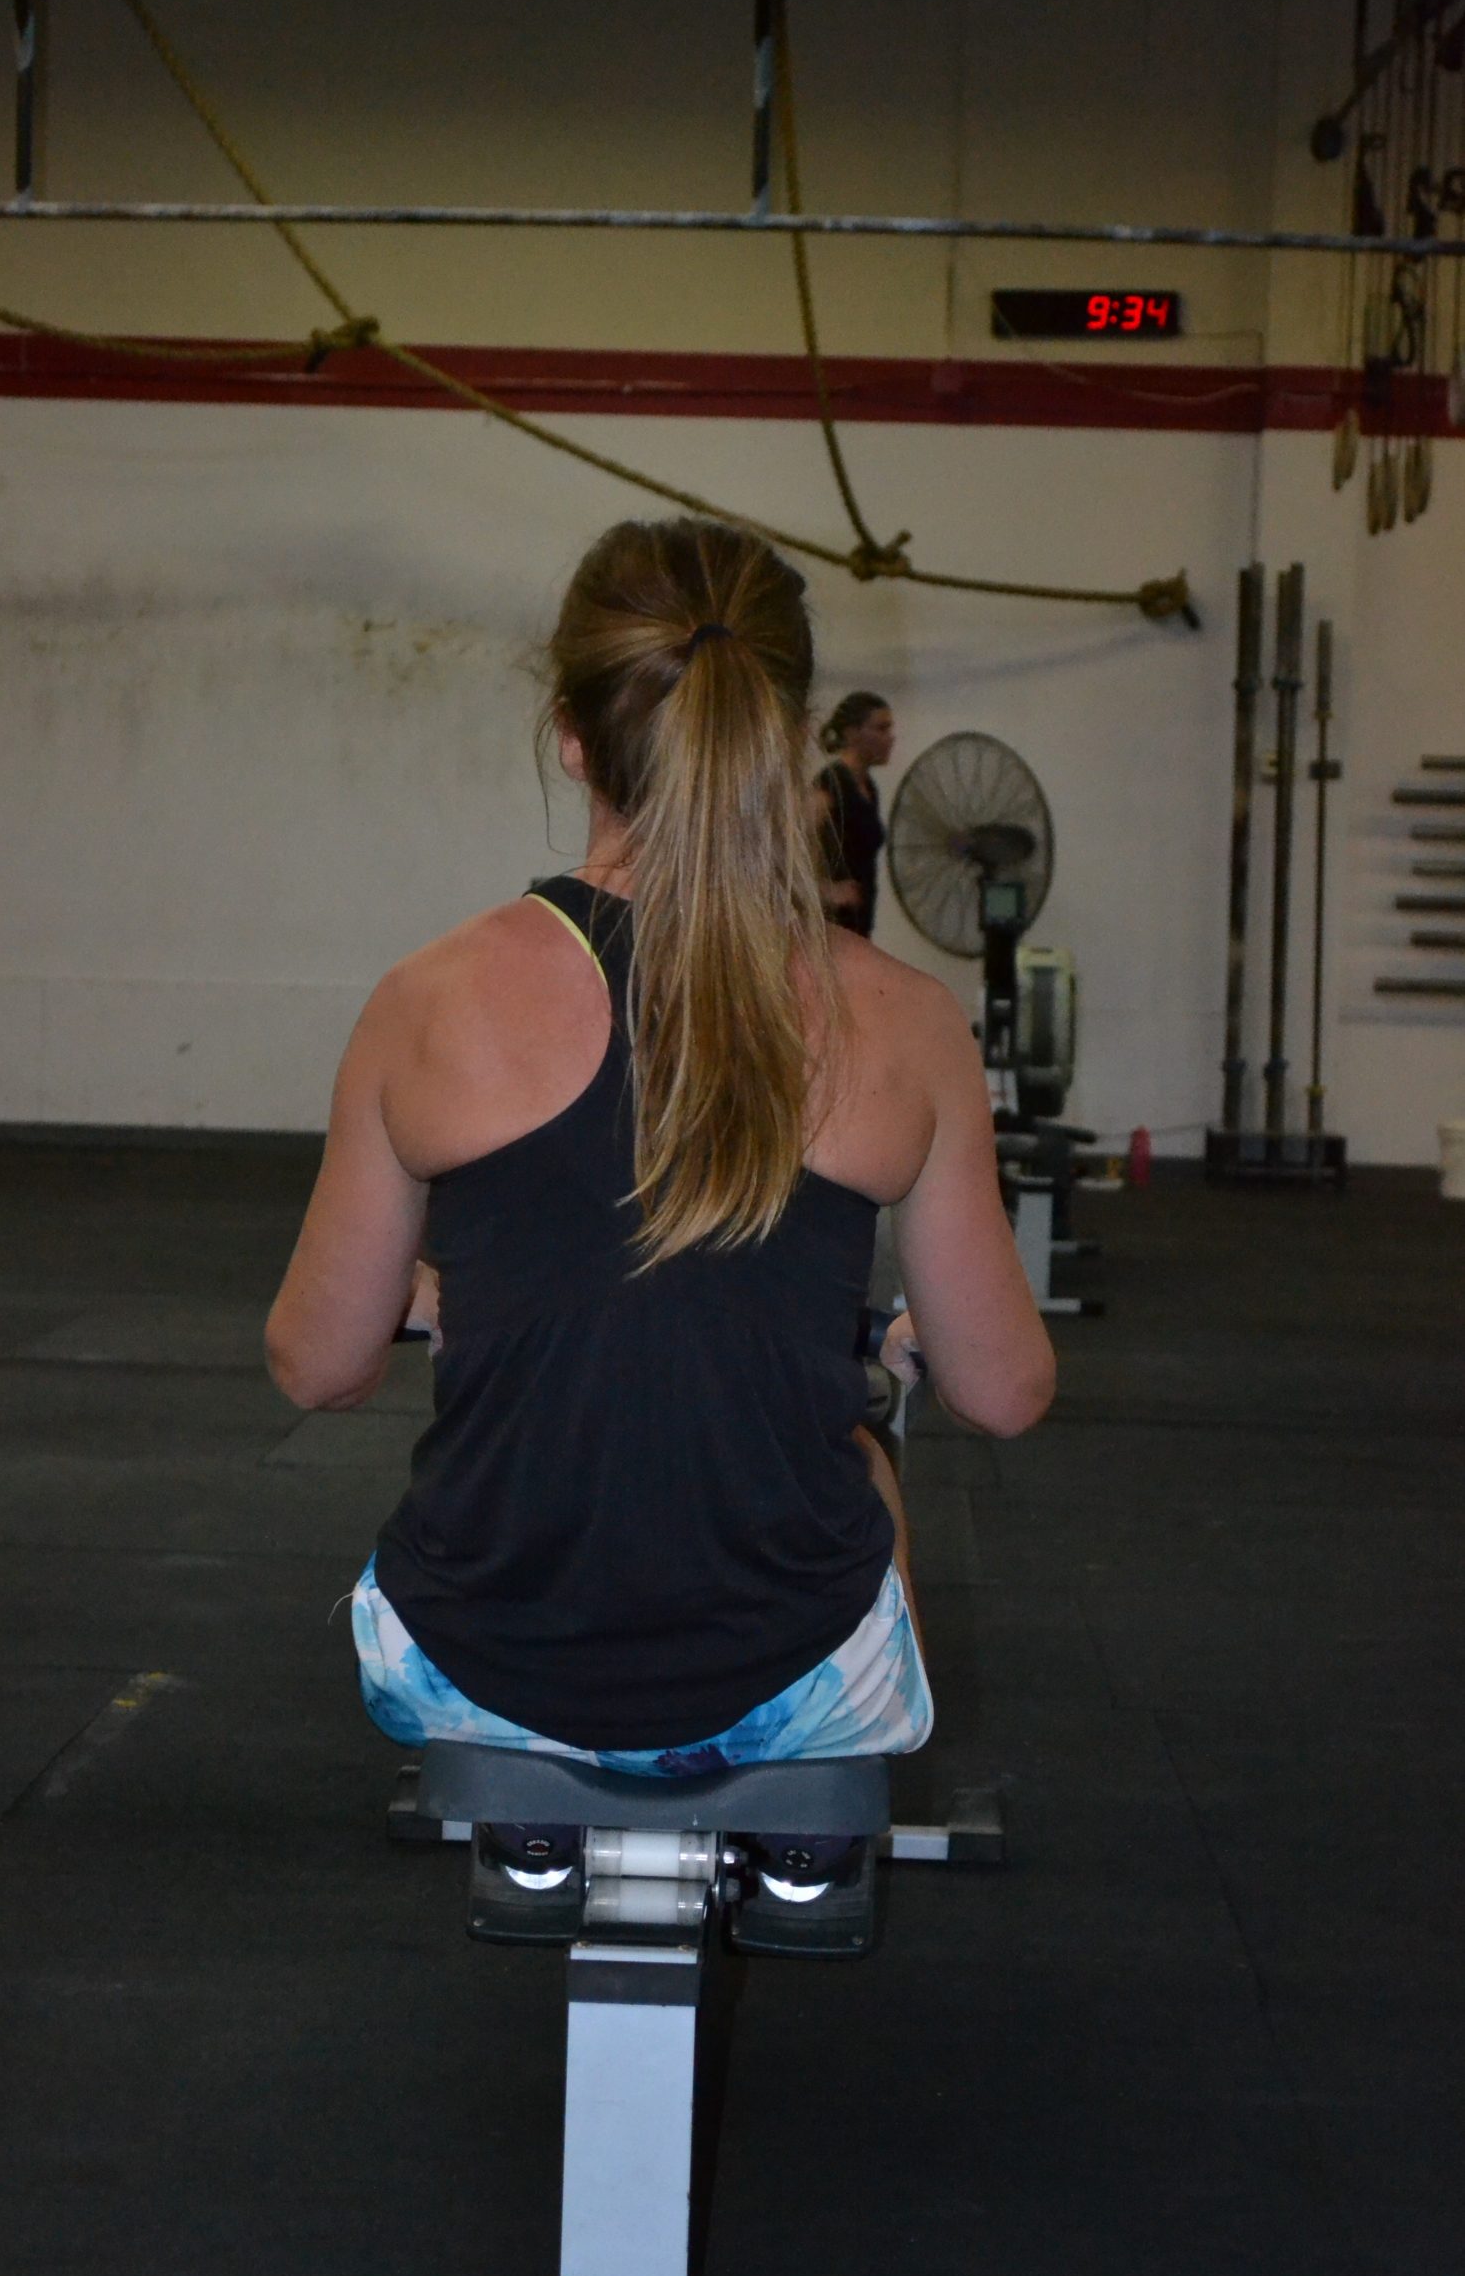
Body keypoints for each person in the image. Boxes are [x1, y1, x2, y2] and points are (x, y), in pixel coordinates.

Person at [266, 518, 1052, 1816]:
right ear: (779, 735)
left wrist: (411, 1289)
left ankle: (539, 1826)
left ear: (570, 737)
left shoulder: (425, 1000)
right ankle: (808, 1825)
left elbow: (316, 1366)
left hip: (469, 1671)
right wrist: (922, 1331)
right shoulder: (907, 1022)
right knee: (862, 1458)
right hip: (791, 1686)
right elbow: (1005, 1393)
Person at [814, 691, 895, 937]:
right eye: (881, 729)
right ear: (852, 733)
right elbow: (785, 849)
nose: (891, 738)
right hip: (830, 932)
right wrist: (825, 890)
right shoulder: (830, 784)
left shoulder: (869, 788)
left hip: (859, 928)